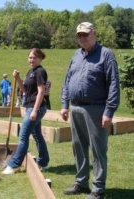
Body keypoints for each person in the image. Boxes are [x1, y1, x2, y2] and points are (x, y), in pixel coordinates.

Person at [60, 22, 120, 199]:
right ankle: (81, 182)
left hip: (96, 108)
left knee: (97, 149)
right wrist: (64, 105)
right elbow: (66, 81)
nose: (82, 37)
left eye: (85, 34)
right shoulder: (76, 55)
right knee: (78, 147)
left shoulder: (106, 55)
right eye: (79, 35)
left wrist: (109, 111)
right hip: (76, 107)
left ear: (94, 34)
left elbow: (114, 85)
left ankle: (98, 189)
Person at [2, 48, 49, 175]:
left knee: (23, 136)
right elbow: (24, 90)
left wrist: (34, 111)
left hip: (35, 108)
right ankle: (44, 162)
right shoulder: (31, 72)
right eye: (30, 57)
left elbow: (41, 92)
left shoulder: (40, 72)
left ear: (40, 58)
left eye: (34, 57)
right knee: (38, 136)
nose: (31, 60)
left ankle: (14, 165)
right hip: (31, 107)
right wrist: (17, 78)